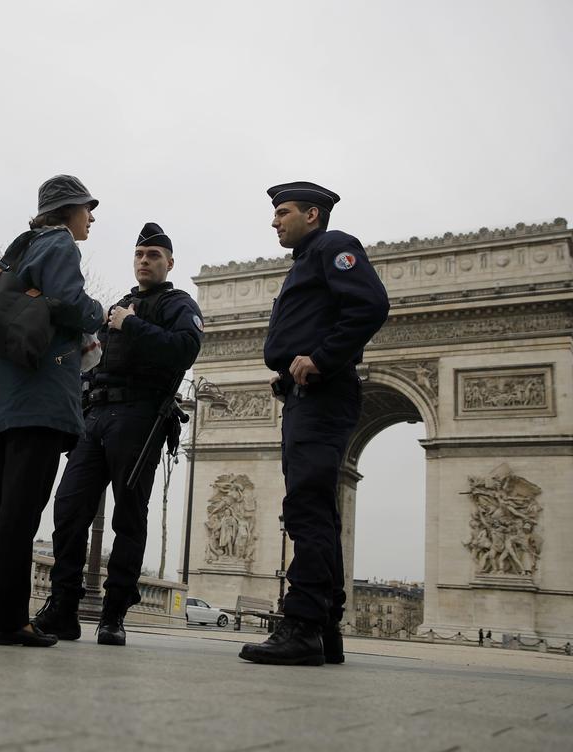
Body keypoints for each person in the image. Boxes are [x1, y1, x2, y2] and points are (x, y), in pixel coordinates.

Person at [0, 174, 104, 647]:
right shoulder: (59, 246)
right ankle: (10, 619)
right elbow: (73, 305)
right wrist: (100, 313)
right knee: (20, 512)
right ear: (68, 210)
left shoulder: (16, 252)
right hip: (39, 399)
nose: (91, 218)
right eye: (87, 209)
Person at [239, 182, 389, 666]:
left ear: (313, 214)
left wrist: (321, 358)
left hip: (323, 392)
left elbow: (370, 305)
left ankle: (302, 625)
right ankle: (325, 628)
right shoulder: (306, 260)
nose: (274, 220)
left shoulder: (333, 246)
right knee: (320, 510)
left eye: (283, 212)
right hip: (306, 395)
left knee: (306, 508)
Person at [33, 223, 203, 646]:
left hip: (140, 417)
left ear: (169, 263)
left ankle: (113, 615)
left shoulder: (177, 304)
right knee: (69, 510)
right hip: (96, 417)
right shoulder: (118, 306)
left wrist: (131, 326)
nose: (144, 261)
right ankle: (63, 607)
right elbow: (93, 364)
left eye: (153, 256)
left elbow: (186, 349)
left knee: (129, 516)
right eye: (140, 254)